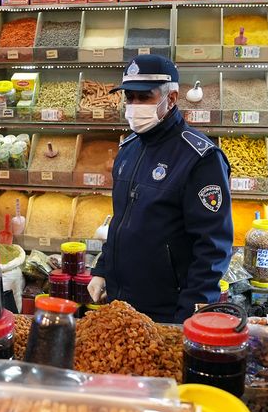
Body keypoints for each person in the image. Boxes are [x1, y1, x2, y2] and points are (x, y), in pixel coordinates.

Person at [88, 55, 234, 323]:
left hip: (168, 309)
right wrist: (102, 269)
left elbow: (213, 247)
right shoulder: (128, 150)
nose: (134, 106)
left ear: (172, 97)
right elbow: (121, 221)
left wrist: (189, 314)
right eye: (129, 97)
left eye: (144, 97)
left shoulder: (200, 158)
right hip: (121, 303)